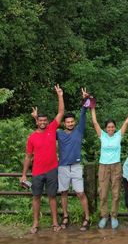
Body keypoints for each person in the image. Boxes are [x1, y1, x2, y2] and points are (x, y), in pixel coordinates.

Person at [31, 87, 91, 231]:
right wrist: (36, 118)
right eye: (68, 122)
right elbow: (44, 131)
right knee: (63, 192)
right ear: (64, 123)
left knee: (80, 193)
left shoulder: (79, 131)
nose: (70, 123)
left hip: (76, 166)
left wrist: (85, 100)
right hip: (62, 167)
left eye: (72, 121)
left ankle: (87, 218)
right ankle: (65, 216)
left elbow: (83, 114)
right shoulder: (58, 133)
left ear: (74, 122)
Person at [91, 99, 128, 229]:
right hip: (103, 166)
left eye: (112, 126)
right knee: (102, 193)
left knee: (116, 193)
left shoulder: (119, 135)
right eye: (108, 127)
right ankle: (104, 216)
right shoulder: (102, 135)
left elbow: (127, 121)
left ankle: (113, 216)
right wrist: (91, 106)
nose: (111, 129)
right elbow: (95, 122)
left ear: (115, 127)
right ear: (106, 128)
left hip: (116, 166)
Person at [20, 84, 64, 234]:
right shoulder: (32, 137)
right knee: (36, 197)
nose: (43, 122)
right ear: (37, 121)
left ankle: (55, 223)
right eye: (41, 120)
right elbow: (28, 156)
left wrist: (60, 95)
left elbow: (61, 112)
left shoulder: (52, 129)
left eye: (45, 120)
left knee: (52, 197)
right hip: (37, 172)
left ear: (47, 121)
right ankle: (36, 223)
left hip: (52, 170)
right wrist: (24, 174)